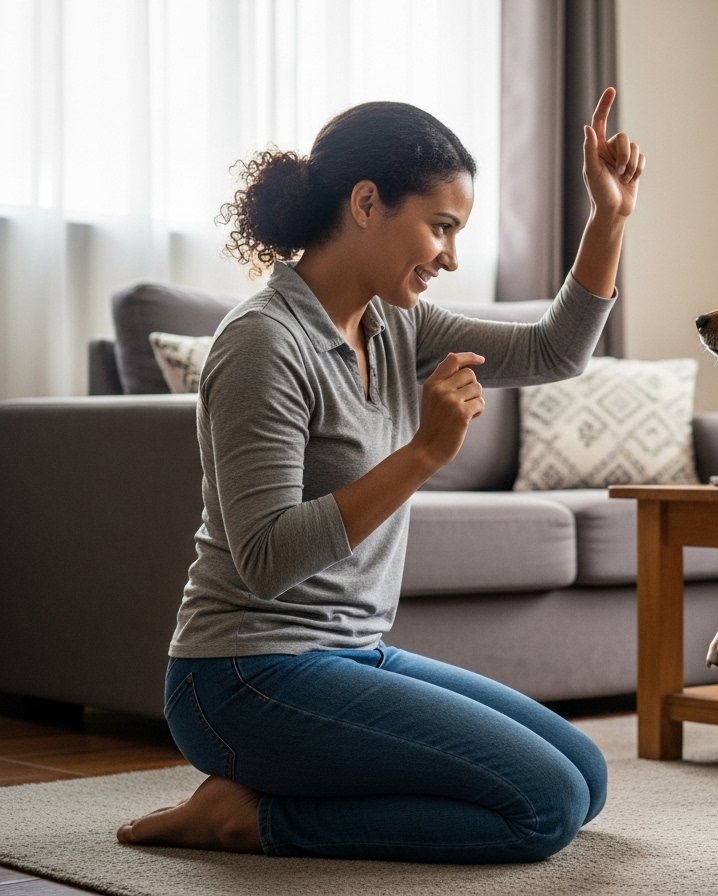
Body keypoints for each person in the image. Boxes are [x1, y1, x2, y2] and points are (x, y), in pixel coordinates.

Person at [116, 88, 644, 862]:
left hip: (353, 650)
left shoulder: (398, 324)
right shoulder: (264, 343)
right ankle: (245, 820)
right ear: (366, 203)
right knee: (544, 807)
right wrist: (424, 454)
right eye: (440, 227)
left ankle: (281, 788)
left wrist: (611, 217)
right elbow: (265, 561)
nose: (451, 257)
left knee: (587, 776)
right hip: (243, 674)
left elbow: (555, 351)